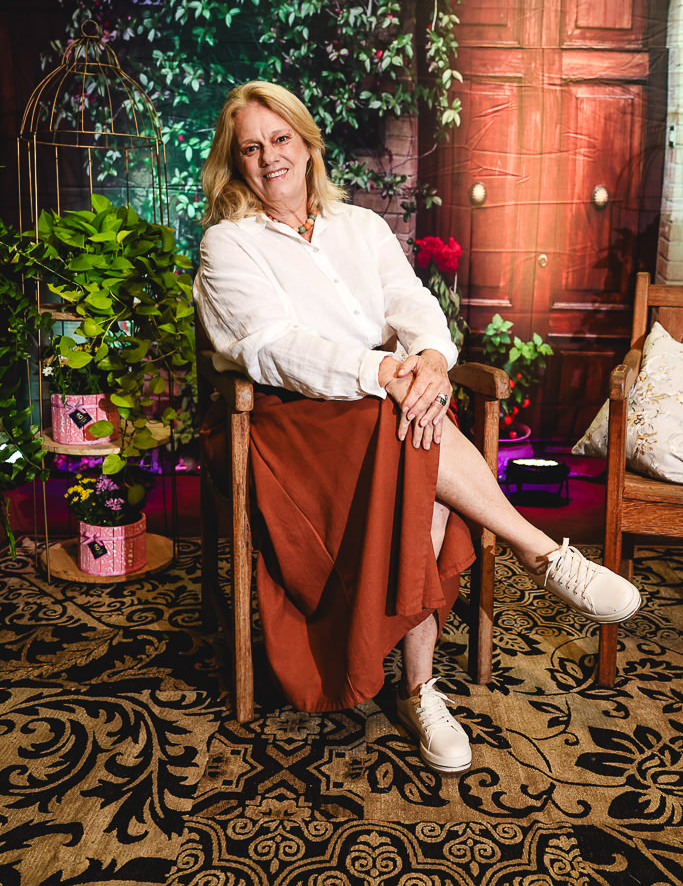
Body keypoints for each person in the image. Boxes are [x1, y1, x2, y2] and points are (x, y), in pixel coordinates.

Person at [193, 80, 641, 775]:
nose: (269, 156)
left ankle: (422, 687)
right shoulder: (228, 244)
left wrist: (429, 359)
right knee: (406, 422)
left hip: (384, 406)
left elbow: (412, 301)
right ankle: (534, 558)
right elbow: (271, 348)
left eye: (280, 139)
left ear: (307, 145)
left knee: (411, 426)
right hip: (285, 423)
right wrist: (386, 372)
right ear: (235, 162)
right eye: (250, 148)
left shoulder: (360, 227)